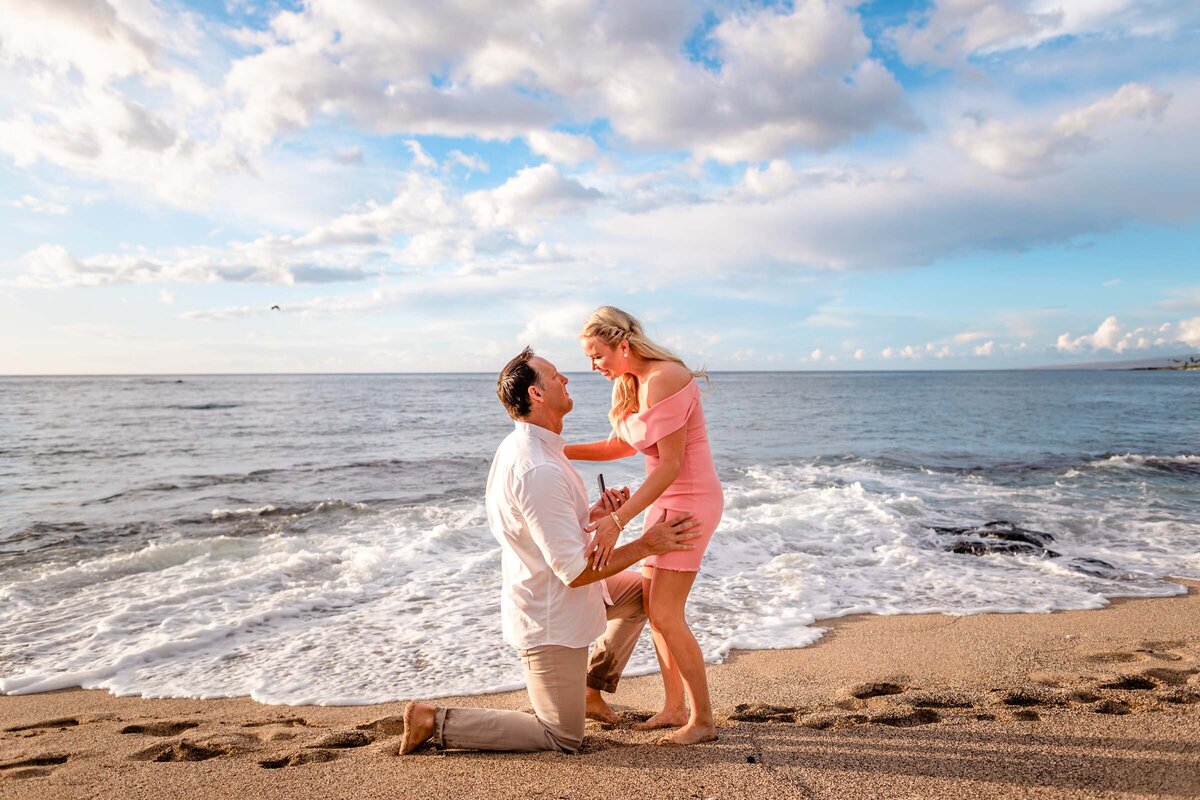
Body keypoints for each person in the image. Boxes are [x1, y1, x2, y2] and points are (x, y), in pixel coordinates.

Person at [399, 347, 702, 755]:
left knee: (644, 597)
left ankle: (591, 691)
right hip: (550, 616)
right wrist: (649, 543)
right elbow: (575, 572)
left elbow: (544, 529)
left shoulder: (540, 449)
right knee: (561, 736)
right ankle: (431, 721)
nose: (567, 380)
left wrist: (594, 514)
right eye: (556, 375)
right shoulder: (536, 467)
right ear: (536, 394)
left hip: (571, 590)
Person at [564, 306, 723, 746]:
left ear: (622, 345)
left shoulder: (664, 377)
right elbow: (621, 445)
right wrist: (557, 449)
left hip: (687, 502)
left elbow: (670, 466)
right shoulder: (634, 383)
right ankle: (674, 708)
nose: (593, 367)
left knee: (668, 616)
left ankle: (703, 720)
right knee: (656, 611)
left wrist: (618, 520)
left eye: (596, 356)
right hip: (666, 500)